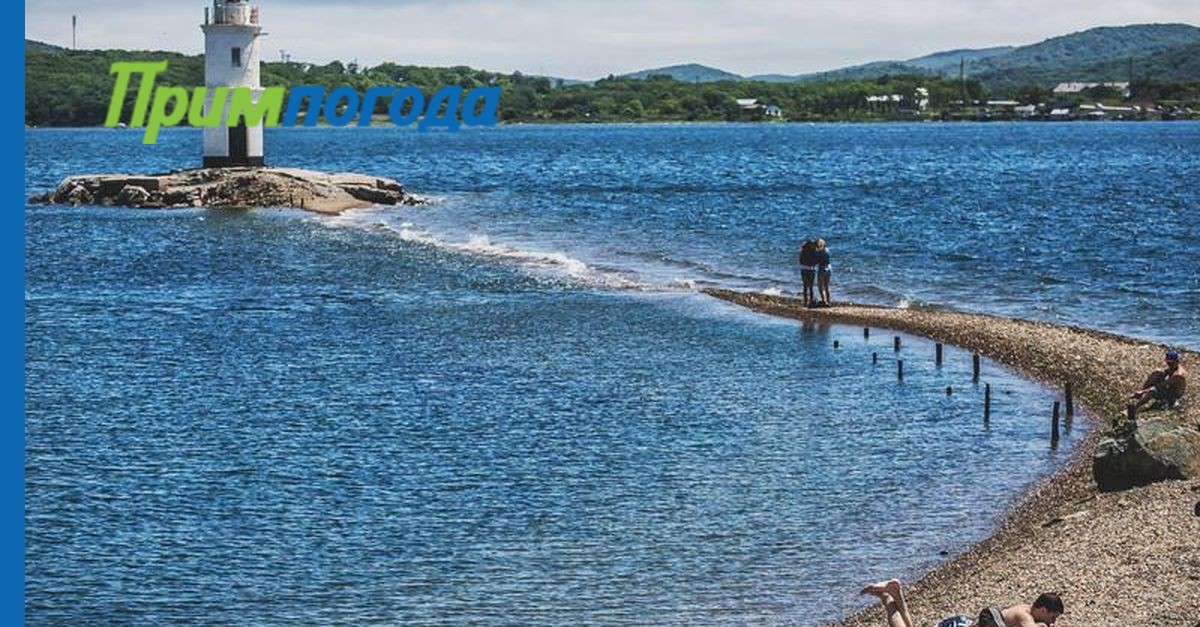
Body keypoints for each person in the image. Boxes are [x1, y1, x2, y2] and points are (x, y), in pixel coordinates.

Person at [861, 580, 1063, 627]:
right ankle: (891, 595)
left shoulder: (1023, 608)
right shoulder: (1025, 616)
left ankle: (891, 595)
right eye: (1051, 617)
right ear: (1043, 609)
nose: (1052, 622)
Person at [1129, 349, 1188, 414]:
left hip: (1173, 395)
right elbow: (1163, 374)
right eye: (1168, 363)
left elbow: (1160, 386)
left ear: (1176, 361)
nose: (1169, 365)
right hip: (1168, 388)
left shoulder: (1178, 374)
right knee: (1156, 374)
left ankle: (1134, 408)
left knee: (1152, 391)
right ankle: (1140, 396)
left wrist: (1143, 391)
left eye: (1171, 363)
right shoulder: (1172, 368)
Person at [798, 239, 818, 307]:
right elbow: (816, 261)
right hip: (811, 269)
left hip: (804, 269)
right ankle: (811, 300)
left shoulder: (802, 251)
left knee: (805, 286)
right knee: (811, 287)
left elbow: (800, 261)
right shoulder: (814, 251)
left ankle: (805, 301)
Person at [815, 238, 832, 307]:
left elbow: (817, 261)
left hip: (822, 268)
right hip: (829, 268)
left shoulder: (819, 252)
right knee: (827, 286)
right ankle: (829, 301)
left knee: (820, 286)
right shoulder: (827, 250)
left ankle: (824, 300)